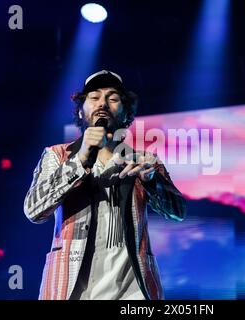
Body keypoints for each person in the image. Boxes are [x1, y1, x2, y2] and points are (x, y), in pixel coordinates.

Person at [23, 70, 186, 300]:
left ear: (126, 112)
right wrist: (79, 160)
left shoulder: (143, 161)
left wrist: (152, 181)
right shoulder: (57, 155)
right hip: (69, 290)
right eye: (94, 97)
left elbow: (178, 212)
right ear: (81, 110)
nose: (103, 103)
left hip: (133, 294)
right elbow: (34, 210)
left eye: (113, 98)